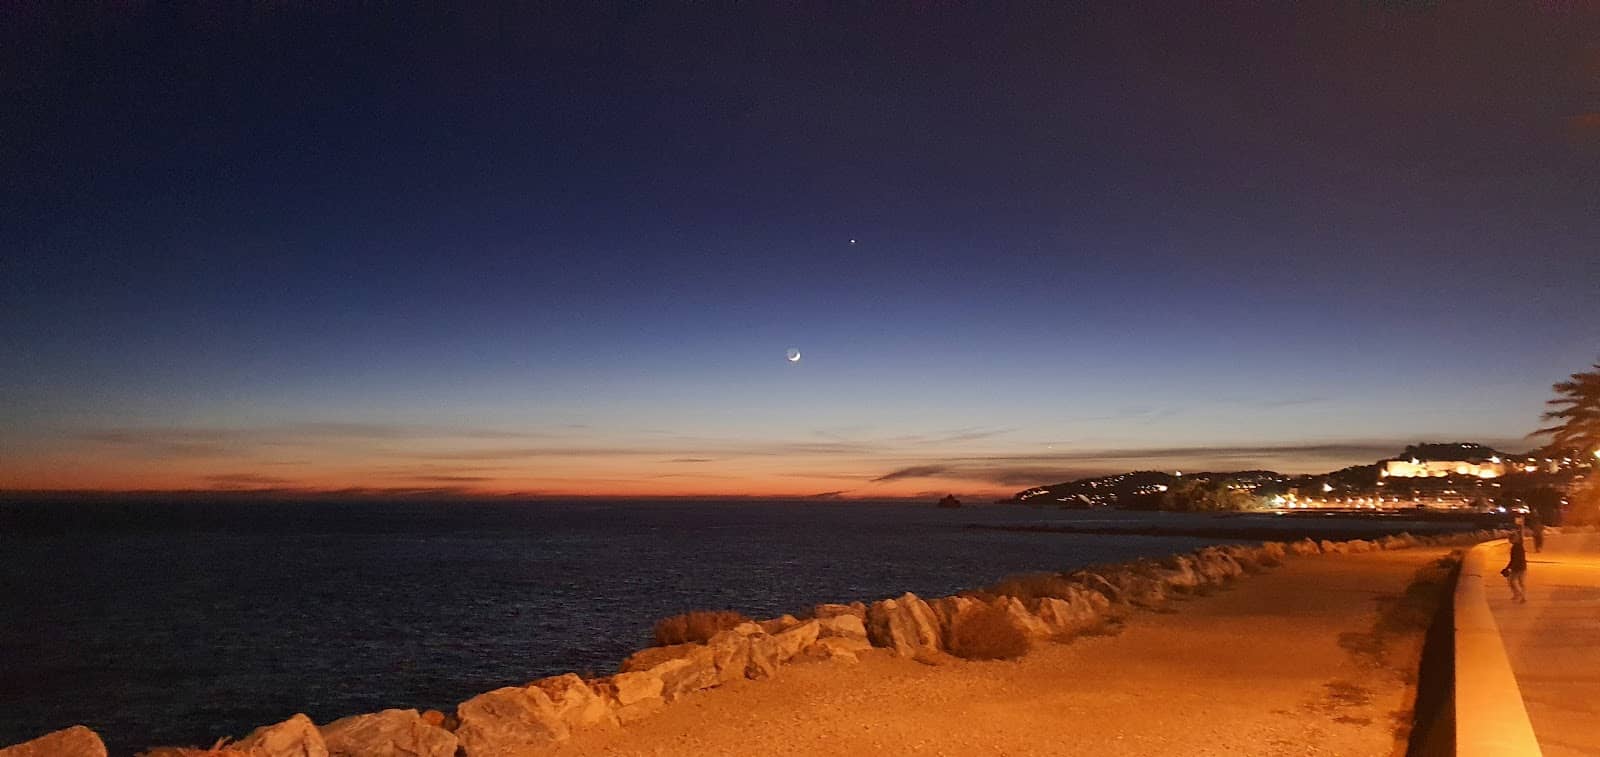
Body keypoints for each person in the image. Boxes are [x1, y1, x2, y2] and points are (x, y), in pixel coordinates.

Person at [1502, 530, 1528, 603]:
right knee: (1521, 583)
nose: (1509, 540)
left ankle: (1518, 594)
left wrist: (1509, 568)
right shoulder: (1519, 546)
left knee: (1512, 581)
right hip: (1522, 567)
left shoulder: (1516, 547)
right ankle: (1523, 596)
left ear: (1514, 539)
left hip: (1517, 568)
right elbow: (1514, 559)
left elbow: (1514, 559)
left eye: (1510, 539)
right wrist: (1507, 567)